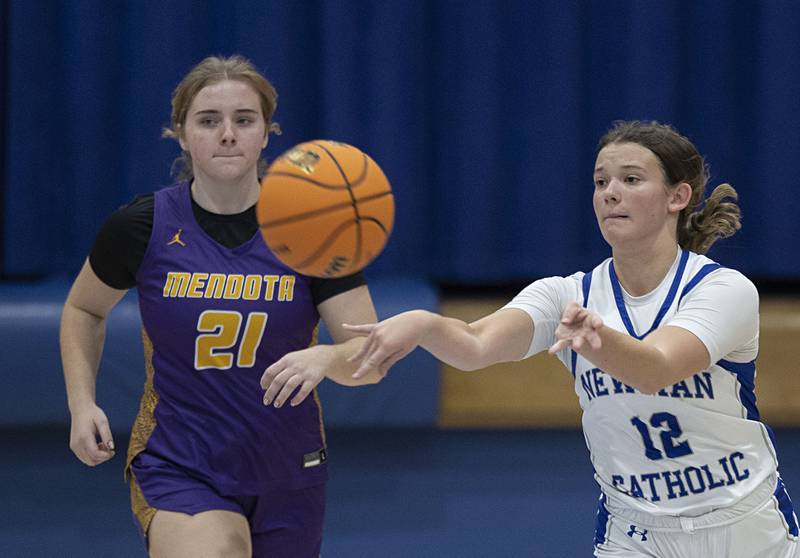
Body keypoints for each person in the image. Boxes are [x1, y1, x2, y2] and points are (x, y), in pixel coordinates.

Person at [304, 120, 798, 557]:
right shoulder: (566, 294)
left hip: (745, 526)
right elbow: (476, 346)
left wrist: (597, 339)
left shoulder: (722, 289)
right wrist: (423, 324)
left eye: (631, 180)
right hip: (637, 533)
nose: (610, 193)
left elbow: (656, 369)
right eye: (601, 182)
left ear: (677, 196)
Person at [60, 55, 384, 558]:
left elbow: (369, 359)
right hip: (181, 462)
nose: (227, 134)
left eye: (244, 119)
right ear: (183, 135)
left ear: (266, 133)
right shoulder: (142, 226)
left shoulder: (315, 230)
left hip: (288, 469)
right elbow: (83, 310)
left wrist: (327, 358)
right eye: (209, 121)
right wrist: (82, 405)